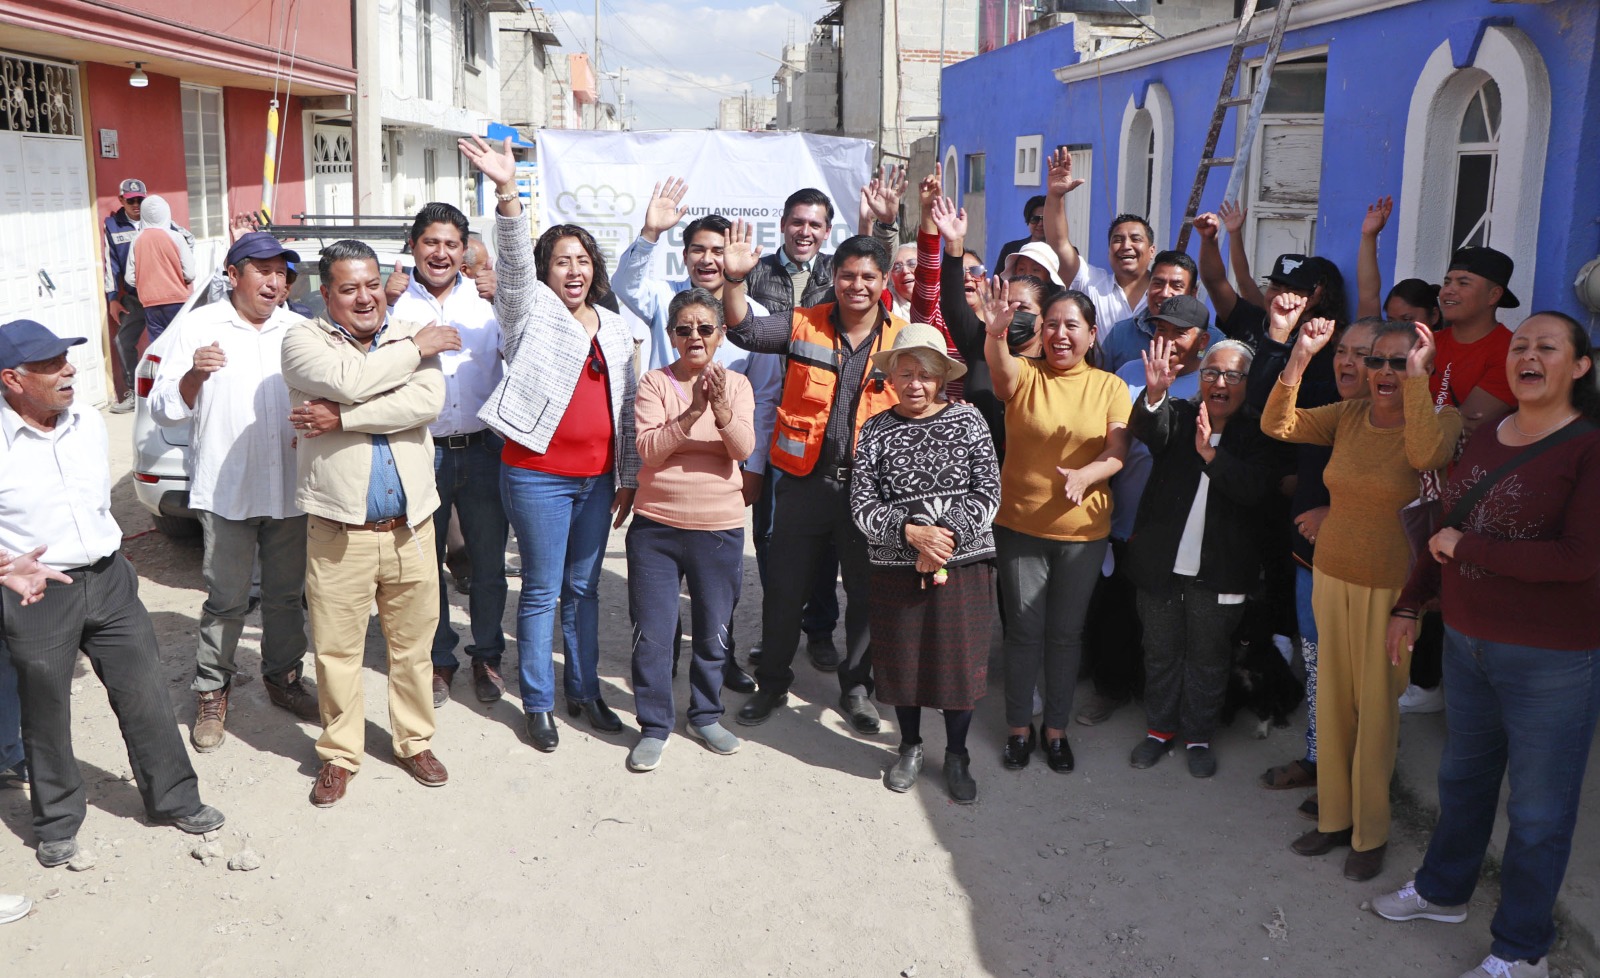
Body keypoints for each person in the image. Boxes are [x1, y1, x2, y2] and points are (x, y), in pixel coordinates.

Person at [1373, 312, 1600, 978]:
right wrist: (1410, 601)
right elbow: (1443, 525)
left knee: (1537, 809)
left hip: (1550, 659)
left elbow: (1579, 559)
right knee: (1463, 779)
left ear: (1580, 367)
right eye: (1521, 346)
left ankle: (1522, 949)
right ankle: (1443, 891)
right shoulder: (1489, 435)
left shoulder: (1589, 448)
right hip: (1469, 644)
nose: (1528, 356)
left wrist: (1471, 549)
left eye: (1547, 348)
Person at [0, 319, 226, 864]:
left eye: (68, 359)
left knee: (145, 690)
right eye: (51, 365)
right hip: (37, 592)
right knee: (46, 711)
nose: (69, 370)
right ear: (12, 379)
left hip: (110, 579)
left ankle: (174, 799)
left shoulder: (88, 424)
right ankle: (56, 822)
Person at [1262, 317, 1461, 881]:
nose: (1386, 373)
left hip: (1390, 592)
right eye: (1379, 361)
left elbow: (1425, 456)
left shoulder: (1438, 419)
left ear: (1420, 366)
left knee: (1376, 714)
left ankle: (1369, 833)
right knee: (1331, 704)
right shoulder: (1347, 416)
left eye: (1401, 362)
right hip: (1331, 578)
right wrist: (1299, 358)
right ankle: (1332, 820)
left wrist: (1419, 382)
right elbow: (1278, 425)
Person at [459, 135, 640, 752]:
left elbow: (627, 409)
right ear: (546, 270)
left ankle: (584, 692)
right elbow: (511, 263)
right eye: (562, 260)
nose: (574, 270)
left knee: (585, 589)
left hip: (596, 480)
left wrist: (629, 476)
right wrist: (509, 192)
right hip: (538, 474)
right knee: (542, 588)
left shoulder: (614, 327)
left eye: (583, 260)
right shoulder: (528, 308)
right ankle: (537, 701)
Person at [281, 240, 457, 807]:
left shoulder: (408, 330)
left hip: (412, 526)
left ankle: (413, 741)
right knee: (337, 651)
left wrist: (341, 418)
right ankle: (339, 754)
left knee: (413, 647)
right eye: (348, 288)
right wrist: (401, 361)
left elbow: (426, 403)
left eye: (371, 284)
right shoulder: (302, 339)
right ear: (326, 294)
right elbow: (349, 379)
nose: (364, 298)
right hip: (340, 532)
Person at [719, 221, 907, 735]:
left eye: (868, 276)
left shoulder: (904, 338)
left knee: (866, 596)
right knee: (784, 588)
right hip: (804, 483)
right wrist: (735, 282)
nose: (857, 286)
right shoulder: (803, 323)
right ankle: (774, 683)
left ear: (883, 280)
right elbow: (745, 330)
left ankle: (857, 688)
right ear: (835, 277)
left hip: (872, 491)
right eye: (848, 275)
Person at [148, 231, 319, 751]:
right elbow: (164, 410)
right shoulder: (200, 327)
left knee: (288, 596)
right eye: (262, 270)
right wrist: (194, 377)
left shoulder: (299, 328)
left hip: (289, 486)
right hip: (227, 490)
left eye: (281, 273)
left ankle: (283, 677)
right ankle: (211, 688)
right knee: (226, 600)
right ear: (233, 273)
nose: (274, 282)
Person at [611, 185, 783, 693]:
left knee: (715, 594)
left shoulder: (751, 315)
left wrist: (753, 469)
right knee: (663, 598)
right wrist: (649, 233)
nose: (708, 259)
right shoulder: (664, 297)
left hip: (727, 475)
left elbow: (767, 396)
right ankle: (664, 664)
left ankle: (721, 663)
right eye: (698, 250)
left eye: (718, 249)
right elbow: (623, 282)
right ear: (684, 255)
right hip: (666, 475)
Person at [979, 279, 1131, 773]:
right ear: (1040, 332)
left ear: (1091, 334)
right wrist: (996, 335)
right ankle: (1019, 730)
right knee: (1023, 632)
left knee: (1066, 635)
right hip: (1020, 526)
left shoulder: (1109, 386)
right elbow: (999, 374)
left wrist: (1088, 474)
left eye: (1072, 326)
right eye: (1052, 325)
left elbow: (1118, 450)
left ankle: (1057, 732)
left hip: (1084, 533)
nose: (1060, 334)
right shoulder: (1024, 375)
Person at [851, 324, 999, 802]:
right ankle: (910, 746)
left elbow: (987, 491)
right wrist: (909, 535)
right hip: (897, 567)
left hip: (962, 565)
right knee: (904, 663)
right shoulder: (875, 428)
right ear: (891, 376)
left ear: (941, 380)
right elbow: (862, 502)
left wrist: (941, 542)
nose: (915, 384)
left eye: (926, 375)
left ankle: (957, 754)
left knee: (958, 664)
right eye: (905, 372)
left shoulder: (969, 421)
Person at [1124, 337, 1282, 777]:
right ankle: (1159, 731)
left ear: (1248, 384)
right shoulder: (1178, 415)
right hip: (1161, 565)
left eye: (1233, 375)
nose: (1220, 382)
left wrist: (1211, 455)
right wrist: (1154, 395)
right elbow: (1148, 431)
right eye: (1212, 372)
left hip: (1223, 571)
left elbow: (1255, 489)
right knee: (1160, 651)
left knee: (1208, 658)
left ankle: (1197, 736)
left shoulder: (1258, 433)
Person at [388, 203, 512, 710]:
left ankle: (486, 654)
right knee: (424, 565)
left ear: (465, 251)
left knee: (487, 564)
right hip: (420, 450)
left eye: (451, 244)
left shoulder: (488, 300)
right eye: (430, 243)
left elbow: (521, 354)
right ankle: (440, 658)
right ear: (414, 246)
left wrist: (504, 298)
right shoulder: (391, 302)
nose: (440, 253)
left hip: (484, 450)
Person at [625, 289, 755, 772]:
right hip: (656, 529)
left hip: (718, 530)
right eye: (684, 328)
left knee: (713, 632)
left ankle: (705, 714)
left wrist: (719, 407)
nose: (695, 336)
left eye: (705, 328)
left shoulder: (737, 386)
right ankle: (655, 725)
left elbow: (742, 448)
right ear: (671, 335)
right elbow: (650, 450)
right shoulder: (655, 384)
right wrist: (692, 411)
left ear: (721, 335)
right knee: (653, 634)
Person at [1257, 318, 1379, 815]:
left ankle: (1359, 783)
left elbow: (1415, 500)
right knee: (1317, 670)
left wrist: (1340, 514)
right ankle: (1319, 760)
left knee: (1362, 682)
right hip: (1311, 562)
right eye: (1342, 350)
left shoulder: (1409, 422)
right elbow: (1272, 418)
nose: (1349, 361)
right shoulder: (1330, 403)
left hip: (1370, 574)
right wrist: (1301, 354)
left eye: (1365, 354)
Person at [1078, 294, 1216, 728]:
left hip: (1182, 532)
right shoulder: (1128, 374)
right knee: (1116, 615)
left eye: (1180, 333)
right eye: (1160, 330)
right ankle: (1110, 690)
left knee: (1169, 626)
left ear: (1203, 340)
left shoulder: (1211, 385)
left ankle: (1167, 705)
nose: (1168, 340)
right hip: (1124, 519)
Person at [1042, 147, 1154, 344]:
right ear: (1109, 250)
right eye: (1118, 240)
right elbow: (1059, 244)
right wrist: (1055, 197)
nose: (1126, 245)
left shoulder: (1164, 292)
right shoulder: (1092, 283)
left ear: (1151, 250)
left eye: (1136, 239)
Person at [1096, 251, 1226, 373]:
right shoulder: (1120, 334)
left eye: (1176, 286)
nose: (1165, 293)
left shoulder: (1215, 341)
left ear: (1193, 293)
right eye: (1158, 283)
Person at [1355, 196, 1443, 327]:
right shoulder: (1381, 340)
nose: (1398, 328)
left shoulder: (1443, 345)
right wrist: (1369, 235)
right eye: (1391, 321)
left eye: (1407, 319)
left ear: (1434, 316)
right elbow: (1368, 295)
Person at [123, 195, 196, 342]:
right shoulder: (176, 237)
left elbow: (129, 278)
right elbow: (190, 273)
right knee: (180, 344)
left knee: (158, 348)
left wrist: (146, 284)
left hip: (150, 304)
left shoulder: (137, 239)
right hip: (178, 300)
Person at [103, 178, 147, 412]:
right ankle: (135, 393)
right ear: (121, 200)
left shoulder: (157, 220)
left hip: (163, 295)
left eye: (140, 199)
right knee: (123, 340)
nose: (136, 205)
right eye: (131, 201)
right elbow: (111, 265)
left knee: (171, 340)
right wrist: (112, 299)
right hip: (133, 297)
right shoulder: (112, 225)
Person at [993, 194, 1046, 272]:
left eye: (1045, 219)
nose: (1040, 224)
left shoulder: (1061, 252)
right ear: (1028, 221)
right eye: (1035, 219)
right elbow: (998, 281)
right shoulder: (1010, 249)